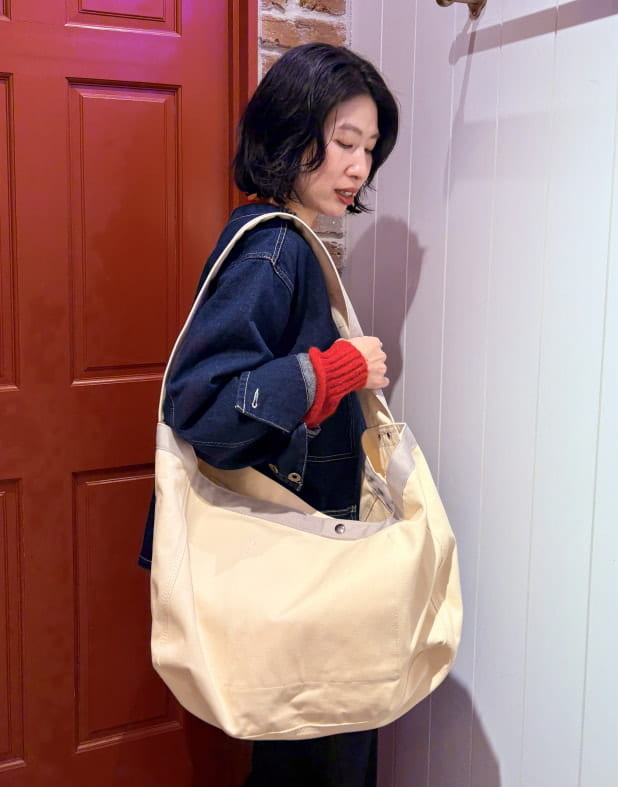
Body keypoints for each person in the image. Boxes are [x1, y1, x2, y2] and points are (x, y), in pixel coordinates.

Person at [140, 42, 398, 787]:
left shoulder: (276, 237)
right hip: (302, 555)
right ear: (291, 132)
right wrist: (338, 370)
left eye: (369, 148)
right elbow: (203, 404)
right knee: (326, 749)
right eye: (344, 142)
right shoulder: (275, 250)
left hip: (295, 553)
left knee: (298, 748)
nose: (359, 166)